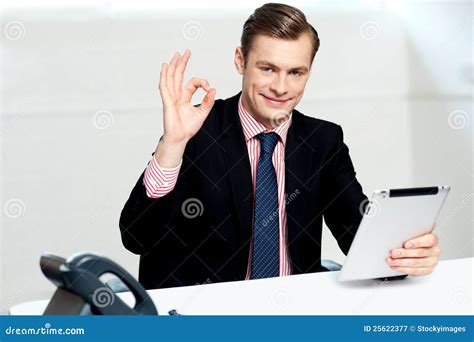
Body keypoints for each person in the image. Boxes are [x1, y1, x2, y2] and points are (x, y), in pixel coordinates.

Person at [119, 3, 440, 290]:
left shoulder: (323, 141)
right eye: (268, 68)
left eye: (295, 72)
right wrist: (173, 144)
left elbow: (360, 240)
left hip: (293, 313)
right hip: (206, 316)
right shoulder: (197, 128)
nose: (281, 87)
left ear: (309, 72)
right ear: (240, 60)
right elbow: (136, 237)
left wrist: (406, 256)